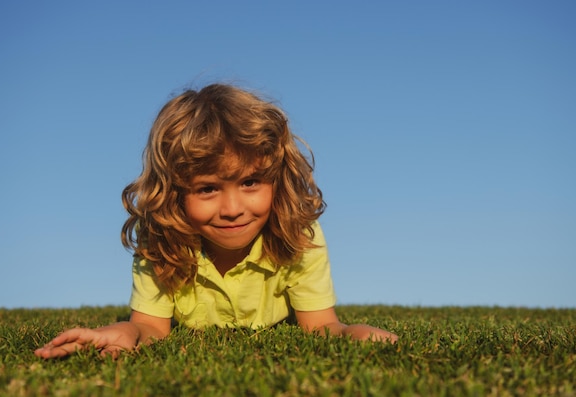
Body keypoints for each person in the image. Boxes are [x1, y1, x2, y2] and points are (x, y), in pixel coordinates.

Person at [34, 83, 398, 359]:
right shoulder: (161, 239)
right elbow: (151, 327)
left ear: (277, 178)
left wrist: (354, 332)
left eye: (250, 182)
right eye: (207, 188)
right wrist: (126, 333)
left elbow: (321, 327)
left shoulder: (297, 234)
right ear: (174, 192)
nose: (232, 208)